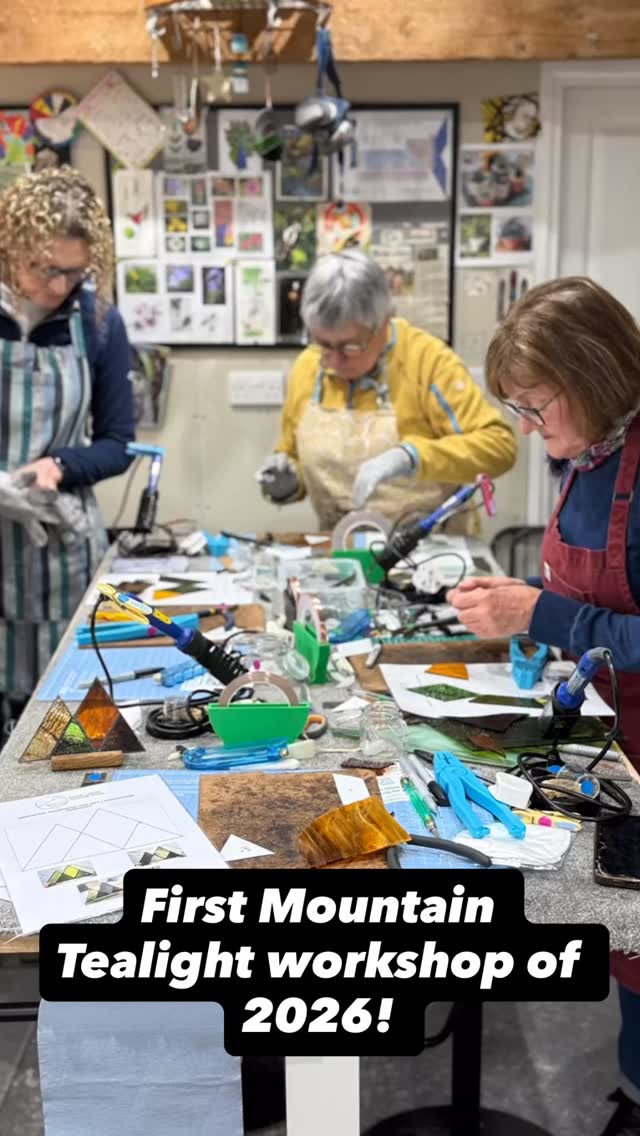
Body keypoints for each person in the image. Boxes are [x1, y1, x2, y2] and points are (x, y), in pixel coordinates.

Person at [447, 276, 640, 1136]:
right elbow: (590, 589)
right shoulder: (589, 457)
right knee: (628, 943)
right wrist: (518, 596)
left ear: (592, 374)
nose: (526, 428)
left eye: (534, 404)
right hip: (615, 733)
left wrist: (545, 614)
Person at [0, 165, 135, 729]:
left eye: (74, 272)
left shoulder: (97, 323)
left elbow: (118, 444)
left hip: (61, 546)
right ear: (11, 247)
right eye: (45, 269)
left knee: (73, 723)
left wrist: (60, 465)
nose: (59, 288)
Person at [256, 250, 516, 530]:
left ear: (385, 322)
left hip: (430, 545)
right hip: (344, 545)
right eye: (324, 344)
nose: (335, 360)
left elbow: (499, 446)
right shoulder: (307, 368)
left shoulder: (427, 361)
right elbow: (293, 457)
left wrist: (413, 457)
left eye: (350, 346)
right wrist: (287, 482)